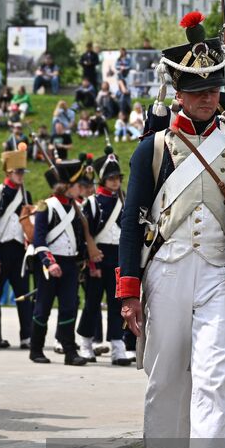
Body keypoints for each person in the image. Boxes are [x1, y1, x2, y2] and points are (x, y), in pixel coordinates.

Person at [117, 10, 225, 448]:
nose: (206, 98)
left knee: (215, 375)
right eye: (196, 89)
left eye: (213, 89)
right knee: (166, 374)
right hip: (168, 270)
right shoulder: (153, 150)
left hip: (221, 272)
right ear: (177, 91)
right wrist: (128, 289)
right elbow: (132, 223)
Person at [30, 159, 90, 365]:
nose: (81, 188)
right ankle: (36, 349)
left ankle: (70, 351)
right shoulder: (46, 206)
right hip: (50, 264)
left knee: (69, 307)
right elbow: (38, 239)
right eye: (77, 185)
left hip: (70, 264)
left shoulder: (76, 208)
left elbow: (81, 239)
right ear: (67, 186)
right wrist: (49, 262)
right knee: (43, 307)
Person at [77, 147, 129, 365]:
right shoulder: (91, 203)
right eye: (111, 178)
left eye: (117, 178)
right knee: (91, 304)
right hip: (97, 258)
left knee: (117, 303)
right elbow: (84, 234)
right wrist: (90, 259)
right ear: (103, 180)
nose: (115, 182)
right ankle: (86, 343)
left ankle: (118, 346)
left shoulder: (125, 201)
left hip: (117, 256)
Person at [0, 146, 31, 349]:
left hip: (19, 250)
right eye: (17, 172)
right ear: (8, 172)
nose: (21, 176)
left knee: (24, 295)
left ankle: (27, 336)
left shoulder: (26, 194)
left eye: (22, 172)